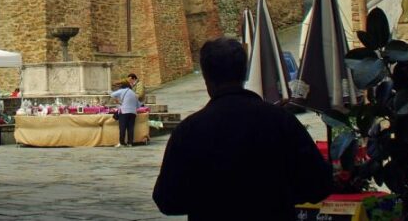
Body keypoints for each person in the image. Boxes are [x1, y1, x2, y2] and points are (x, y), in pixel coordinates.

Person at [152, 37, 331, 220]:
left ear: (207, 78)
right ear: (244, 72)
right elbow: (319, 184)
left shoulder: (188, 131)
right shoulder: (281, 121)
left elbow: (167, 199)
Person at [111, 81, 139, 147]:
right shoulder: (133, 93)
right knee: (130, 128)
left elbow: (112, 94)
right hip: (133, 112)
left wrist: (117, 100)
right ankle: (130, 143)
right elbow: (138, 105)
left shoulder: (122, 90)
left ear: (122, 86)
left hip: (124, 111)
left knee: (122, 128)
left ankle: (122, 143)